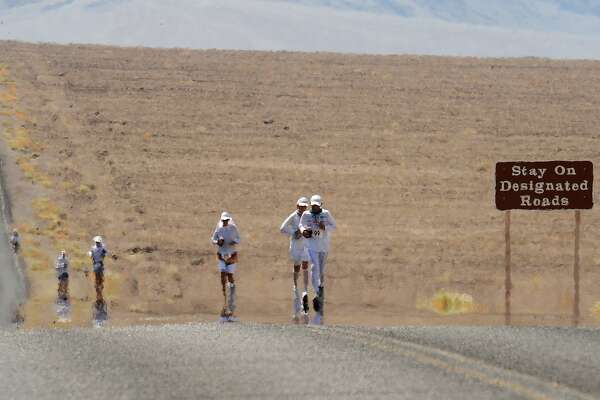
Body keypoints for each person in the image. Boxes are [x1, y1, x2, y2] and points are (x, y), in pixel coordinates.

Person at [299, 195, 336, 320]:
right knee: (314, 267)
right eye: (313, 205)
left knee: (321, 271)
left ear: (321, 205)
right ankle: (316, 294)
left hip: (324, 246)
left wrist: (324, 227)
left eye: (317, 205)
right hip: (312, 245)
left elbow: (334, 226)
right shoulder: (306, 215)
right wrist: (304, 231)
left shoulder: (326, 214)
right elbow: (301, 225)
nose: (314, 207)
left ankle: (320, 289)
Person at [280, 197, 310, 321]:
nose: (303, 208)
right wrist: (294, 232)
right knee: (297, 266)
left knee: (305, 265)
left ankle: (305, 292)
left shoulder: (309, 216)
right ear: (297, 205)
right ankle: (295, 285)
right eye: (301, 206)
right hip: (295, 247)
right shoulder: (293, 216)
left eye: (305, 206)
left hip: (306, 246)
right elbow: (282, 228)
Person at [211, 211, 241, 321]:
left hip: (231, 255)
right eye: (223, 220)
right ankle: (224, 298)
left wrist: (234, 241)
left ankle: (231, 299)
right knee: (223, 275)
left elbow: (239, 238)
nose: (224, 222)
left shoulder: (233, 228)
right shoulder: (218, 228)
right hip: (222, 255)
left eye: (226, 220)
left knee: (230, 277)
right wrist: (218, 241)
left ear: (229, 220)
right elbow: (213, 239)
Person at [88, 236, 108, 301]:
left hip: (96, 264)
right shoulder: (102, 248)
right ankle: (100, 290)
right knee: (100, 278)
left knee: (98, 278)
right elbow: (105, 254)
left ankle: (98, 291)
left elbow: (90, 255)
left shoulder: (93, 248)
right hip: (99, 264)